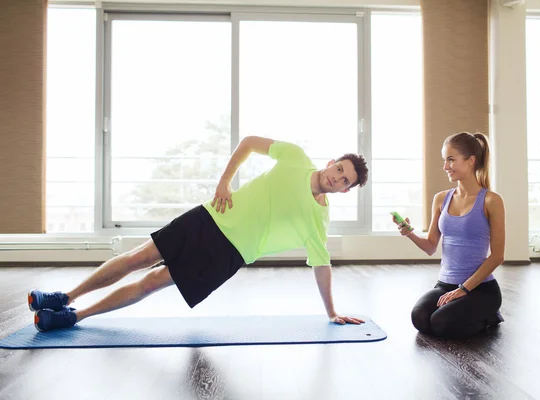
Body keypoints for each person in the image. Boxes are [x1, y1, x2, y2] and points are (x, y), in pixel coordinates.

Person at [28, 136, 369, 332]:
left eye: (345, 181)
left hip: (227, 256)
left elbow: (321, 265)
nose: (336, 178)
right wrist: (224, 181)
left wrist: (331, 312)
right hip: (209, 218)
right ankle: (66, 296)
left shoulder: (318, 219)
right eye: (339, 169)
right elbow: (249, 142)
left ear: (345, 191)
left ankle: (74, 317)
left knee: (150, 283)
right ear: (330, 162)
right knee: (137, 258)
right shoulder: (295, 157)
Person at [394, 132, 505, 339]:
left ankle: (490, 316)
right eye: (444, 160)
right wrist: (409, 233)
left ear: (471, 161)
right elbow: (430, 247)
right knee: (420, 318)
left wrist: (463, 289)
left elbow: (497, 256)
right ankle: (462, 310)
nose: (445, 166)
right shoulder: (441, 199)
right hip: (445, 284)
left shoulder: (491, 200)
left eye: (451, 159)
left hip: (480, 288)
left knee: (442, 324)